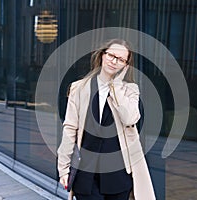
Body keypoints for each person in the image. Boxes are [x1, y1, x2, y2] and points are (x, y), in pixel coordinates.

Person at [57, 39, 156, 200]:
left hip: (118, 175)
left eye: (121, 59)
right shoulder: (79, 88)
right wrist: (63, 167)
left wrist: (116, 87)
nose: (114, 61)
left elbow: (130, 118)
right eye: (111, 55)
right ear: (102, 55)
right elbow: (69, 129)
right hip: (86, 173)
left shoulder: (130, 90)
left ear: (126, 65)